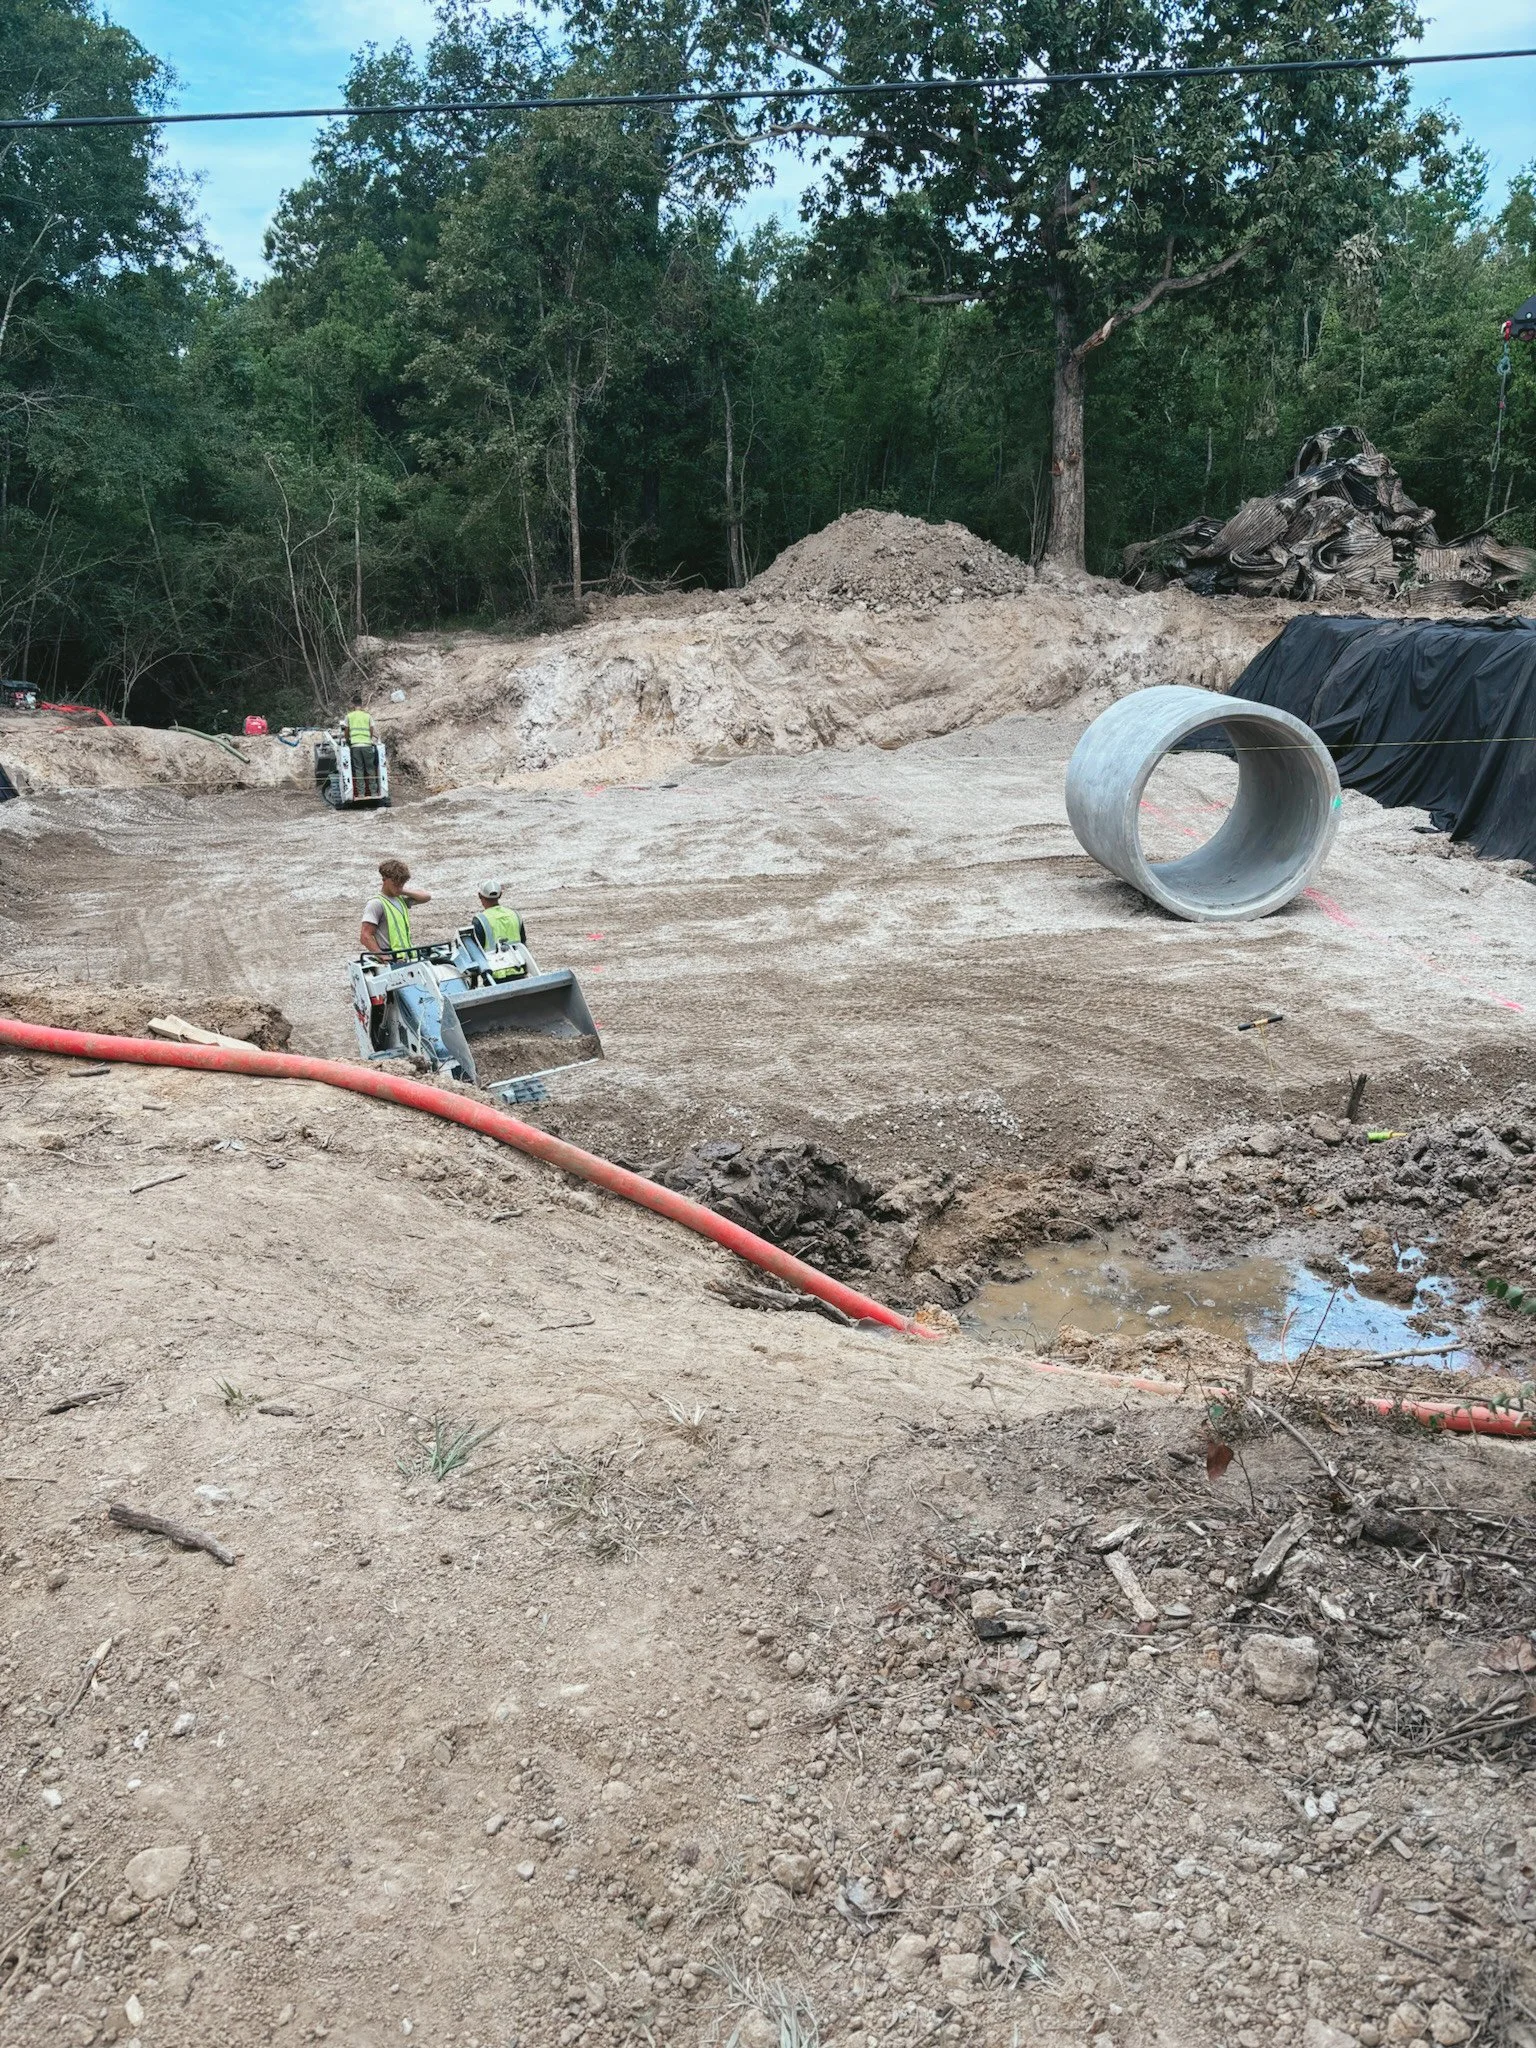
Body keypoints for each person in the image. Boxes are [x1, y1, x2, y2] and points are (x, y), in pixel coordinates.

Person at [360, 858, 430, 956]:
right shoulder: (376, 903)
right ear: (385, 879)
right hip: (391, 958)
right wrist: (382, 956)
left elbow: (426, 897)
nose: (399, 886)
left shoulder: (401, 900)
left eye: (402, 883)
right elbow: (365, 936)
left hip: (406, 956)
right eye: (396, 883)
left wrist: (402, 890)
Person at [470, 882, 527, 980]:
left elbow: (476, 951)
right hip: (519, 969)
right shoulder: (515, 915)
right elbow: (523, 943)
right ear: (500, 894)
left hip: (494, 976)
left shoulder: (480, 920)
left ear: (480, 896)